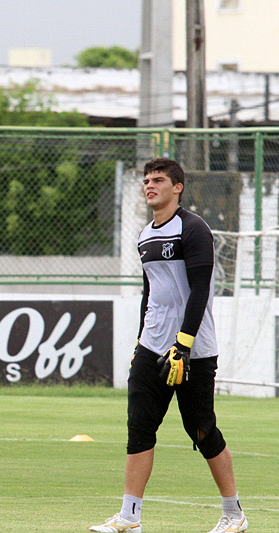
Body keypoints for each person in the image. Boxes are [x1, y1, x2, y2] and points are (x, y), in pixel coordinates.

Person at [90, 158, 247, 533]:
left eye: (158, 180)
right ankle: (129, 517)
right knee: (139, 427)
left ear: (177, 187)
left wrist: (184, 344)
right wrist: (141, 341)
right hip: (152, 347)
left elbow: (199, 292)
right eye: (146, 180)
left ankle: (233, 514)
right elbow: (152, 294)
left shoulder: (193, 229)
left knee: (202, 429)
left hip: (193, 348)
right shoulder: (145, 235)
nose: (150, 185)